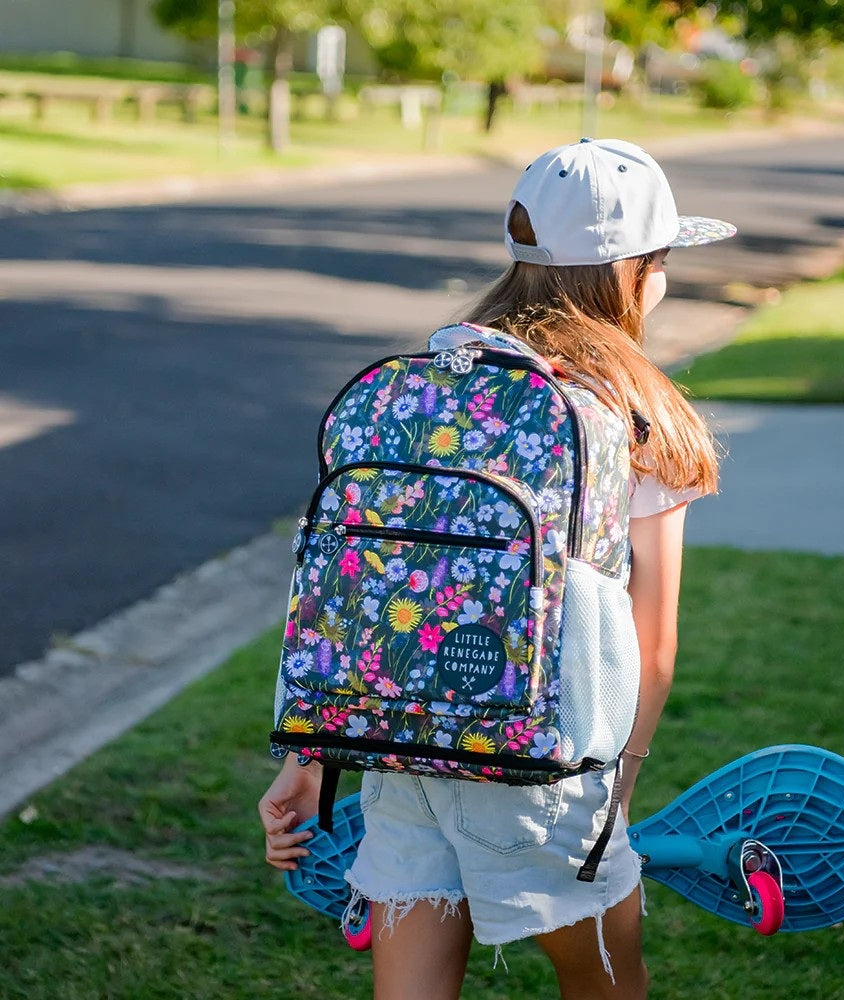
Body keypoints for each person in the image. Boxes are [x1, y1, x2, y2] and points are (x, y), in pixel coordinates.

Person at [259, 137, 736, 1000]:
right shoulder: (632, 414)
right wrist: (616, 794)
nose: (664, 279)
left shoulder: (427, 387)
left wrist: (313, 759)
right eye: (662, 260)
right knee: (607, 988)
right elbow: (654, 645)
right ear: (631, 271)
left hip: (402, 756)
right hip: (545, 767)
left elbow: (365, 589)